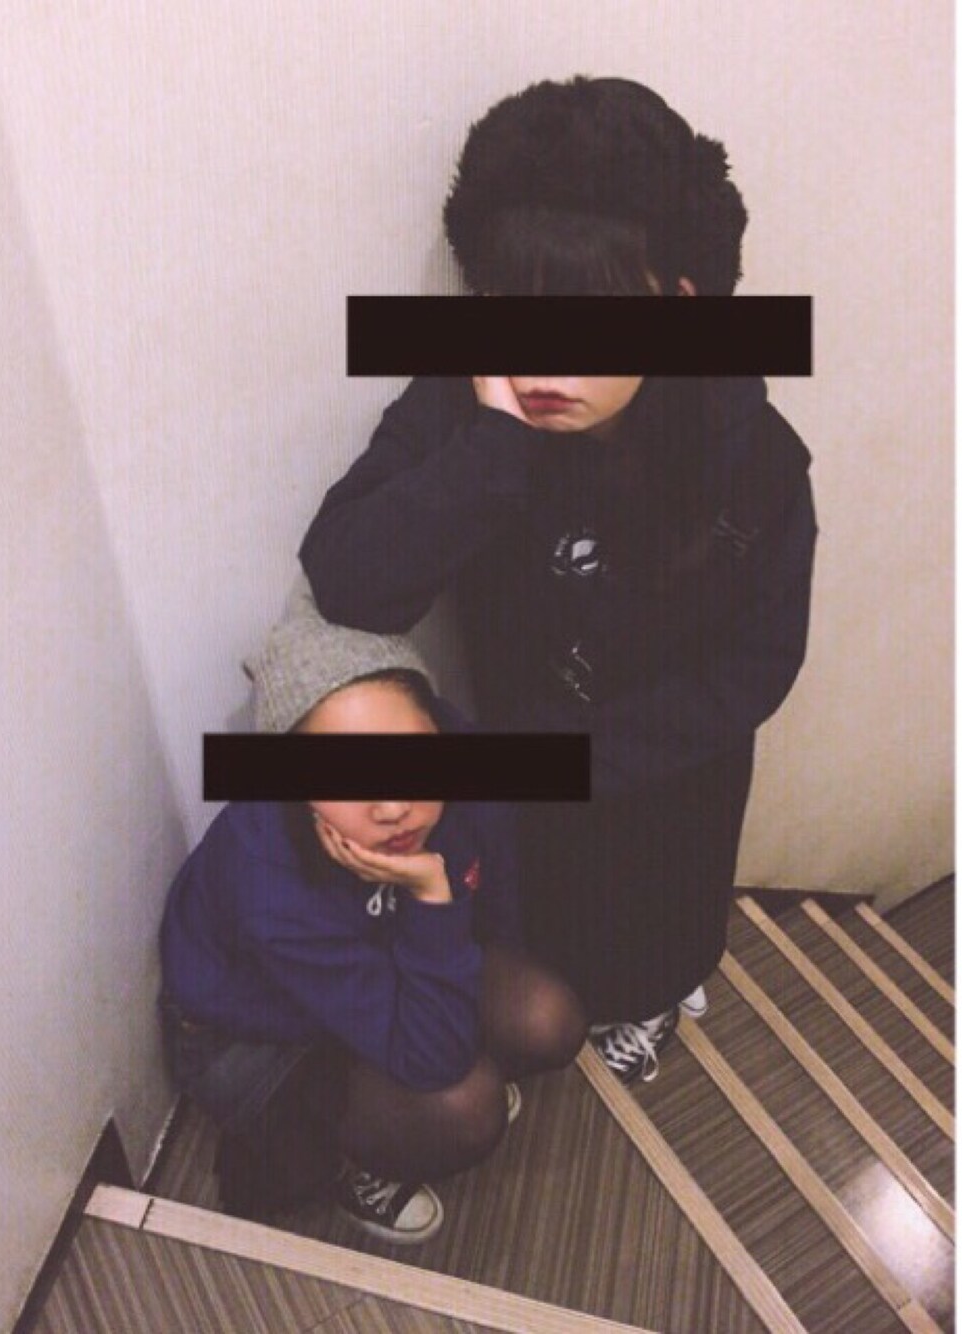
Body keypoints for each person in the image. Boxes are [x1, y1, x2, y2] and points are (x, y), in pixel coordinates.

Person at [299, 77, 817, 1086]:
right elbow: (348, 578)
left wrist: (588, 757)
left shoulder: (750, 452)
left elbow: (762, 660)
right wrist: (493, 449)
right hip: (523, 763)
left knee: (659, 922)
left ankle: (654, 1000)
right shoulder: (470, 400)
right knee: (548, 919)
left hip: (673, 766)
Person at [159, 586, 586, 1244]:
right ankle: (358, 1162)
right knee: (465, 1107)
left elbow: (497, 903)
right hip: (254, 1032)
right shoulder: (266, 875)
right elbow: (436, 1060)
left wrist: (467, 994)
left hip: (371, 951)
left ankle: (400, 1079)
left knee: (546, 1017)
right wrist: (431, 896)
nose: (392, 807)